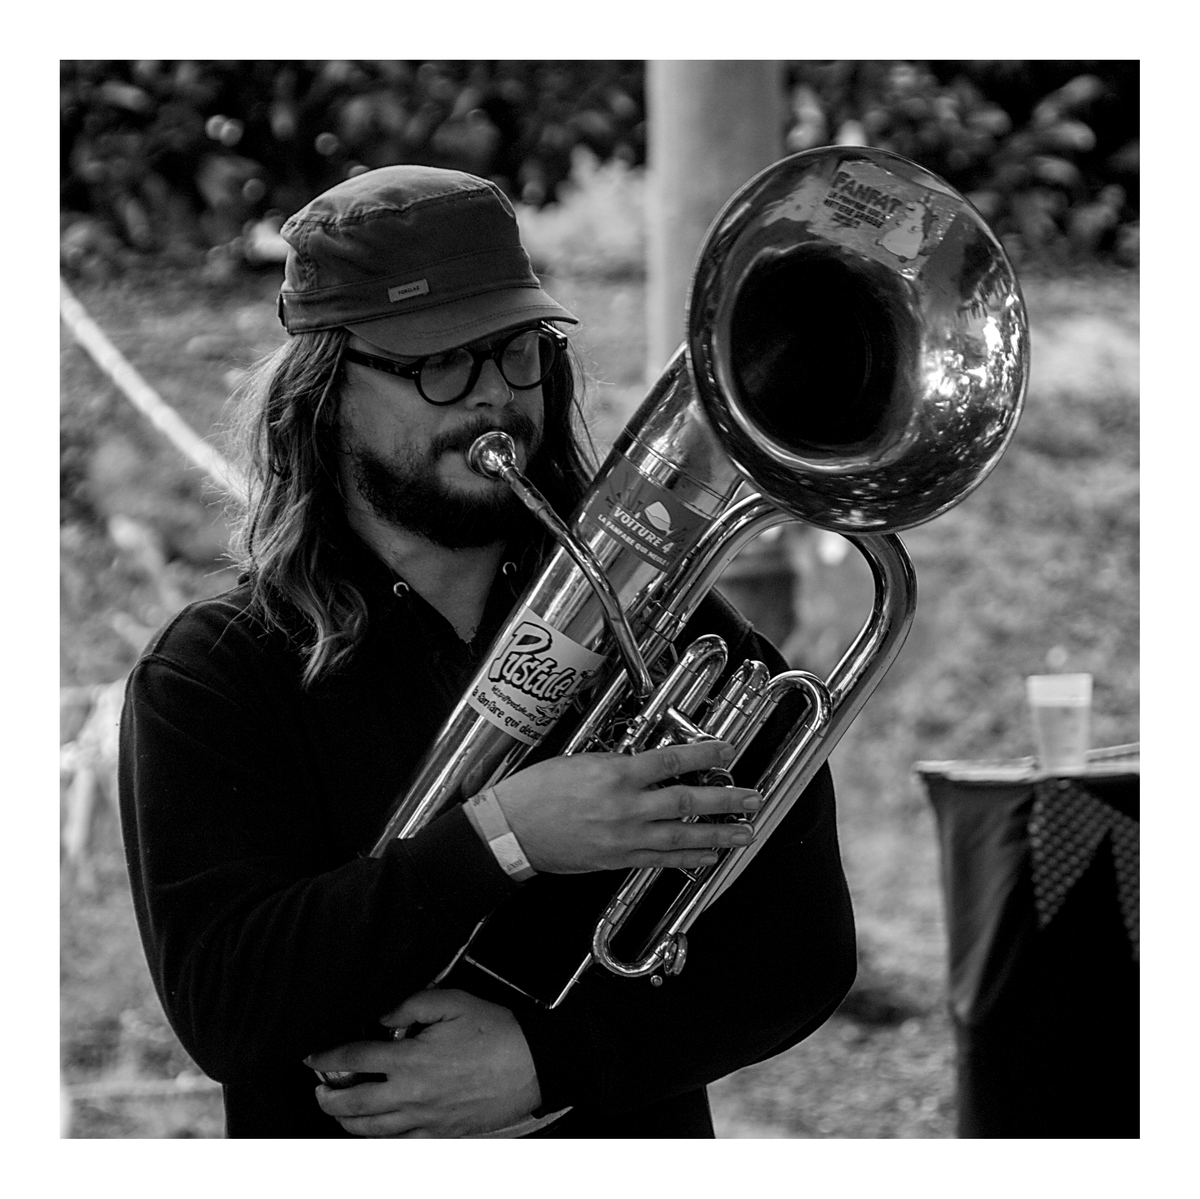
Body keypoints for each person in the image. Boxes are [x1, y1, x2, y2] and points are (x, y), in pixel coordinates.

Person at [118, 164, 856, 1139]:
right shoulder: (215, 672)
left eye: (516, 351)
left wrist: (551, 1061)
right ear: (327, 391)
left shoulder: (661, 622)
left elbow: (802, 951)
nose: (495, 397)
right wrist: (502, 838)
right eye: (440, 364)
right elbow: (226, 1002)